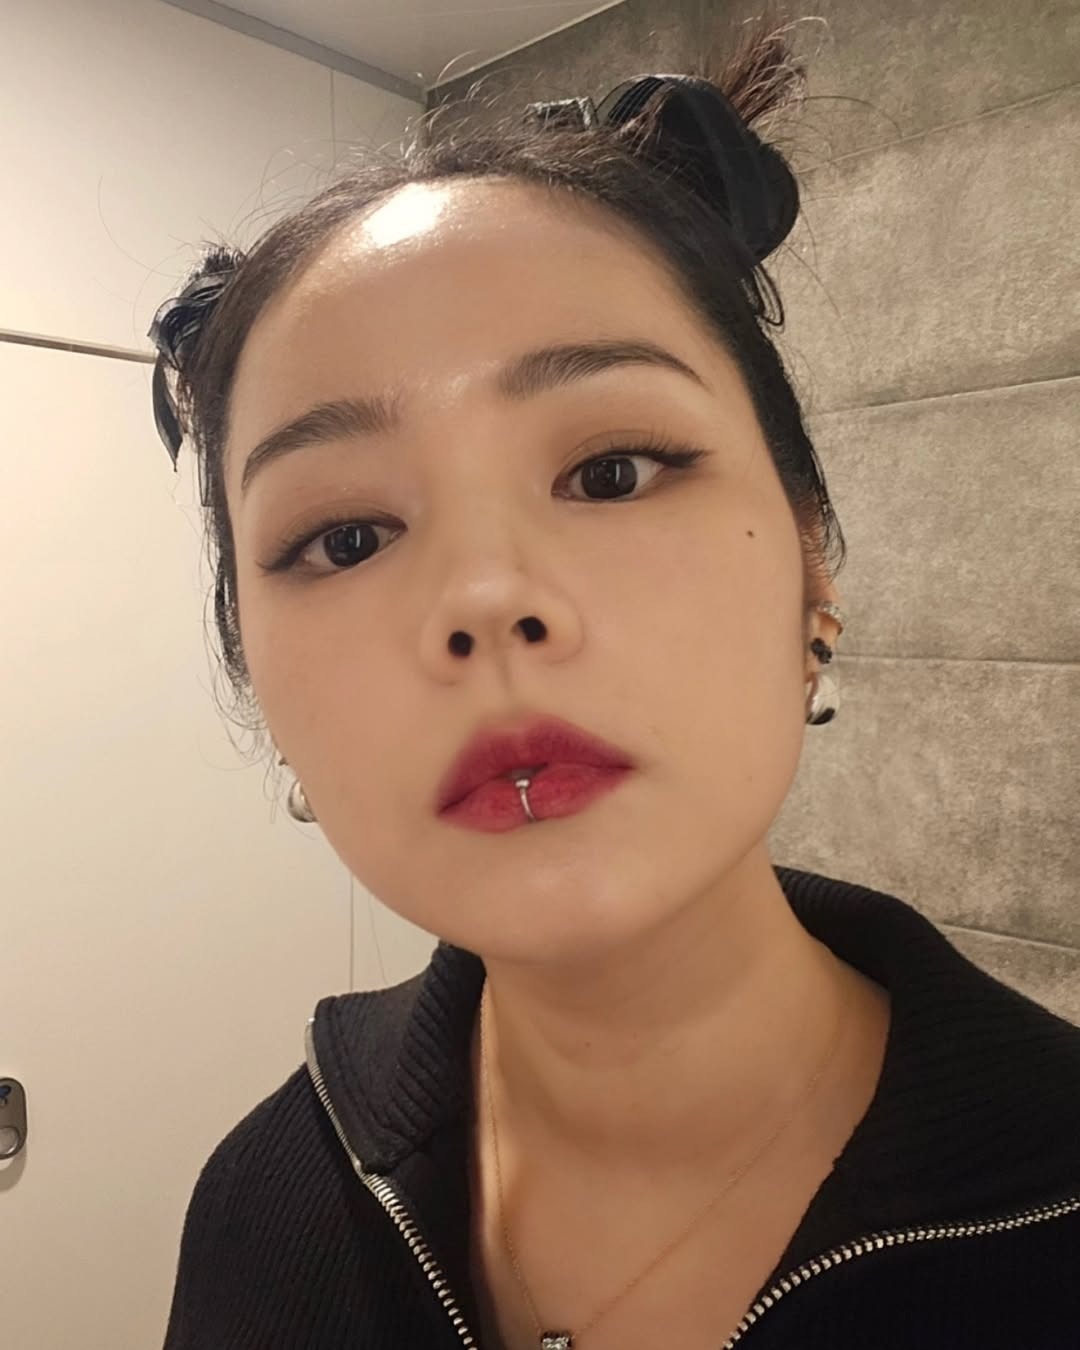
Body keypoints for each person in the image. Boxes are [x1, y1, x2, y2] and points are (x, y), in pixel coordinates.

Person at [150, 23, 1080, 1350]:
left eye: (611, 471)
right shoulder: (261, 1205)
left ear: (810, 558)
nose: (487, 598)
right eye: (347, 538)